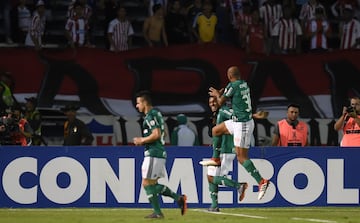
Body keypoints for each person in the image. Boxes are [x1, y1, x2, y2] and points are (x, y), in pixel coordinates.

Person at [207, 66, 270, 201]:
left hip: (242, 125)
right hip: (238, 122)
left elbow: (220, 102)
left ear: (229, 76)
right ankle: (215, 158)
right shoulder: (244, 84)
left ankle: (261, 181)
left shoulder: (233, 85)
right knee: (216, 130)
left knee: (241, 158)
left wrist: (218, 94)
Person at [133, 90, 187, 219]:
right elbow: (164, 134)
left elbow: (156, 134)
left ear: (144, 103)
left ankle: (165, 208)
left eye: (138, 103)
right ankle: (174, 202)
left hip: (154, 153)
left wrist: (142, 140)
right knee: (152, 184)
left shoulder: (150, 115)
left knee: (147, 184)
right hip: (159, 152)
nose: (137, 106)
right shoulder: (157, 113)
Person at [204, 95, 248, 212]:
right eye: (210, 102)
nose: (212, 104)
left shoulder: (224, 110)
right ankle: (214, 206)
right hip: (220, 150)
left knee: (212, 177)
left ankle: (239, 186)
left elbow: (237, 117)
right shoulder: (216, 115)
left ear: (219, 101)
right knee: (211, 176)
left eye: (214, 101)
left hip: (226, 149)